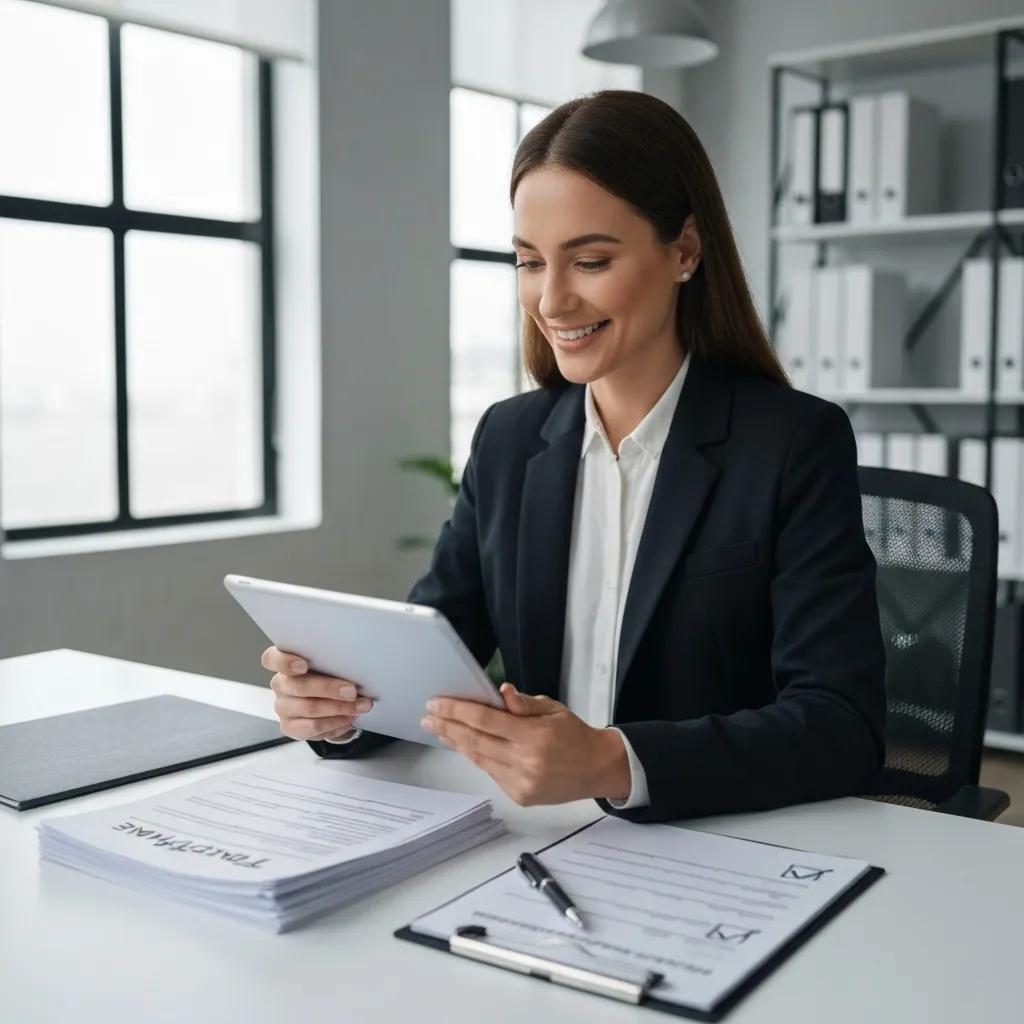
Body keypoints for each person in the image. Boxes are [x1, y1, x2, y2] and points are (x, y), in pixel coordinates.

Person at [262, 89, 886, 824]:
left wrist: (613, 762)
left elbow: (842, 725)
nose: (552, 301)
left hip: (724, 841)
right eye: (529, 262)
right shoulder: (509, 441)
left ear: (684, 249)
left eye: (590, 260)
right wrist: (342, 707)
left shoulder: (791, 443)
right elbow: (432, 658)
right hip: (540, 839)